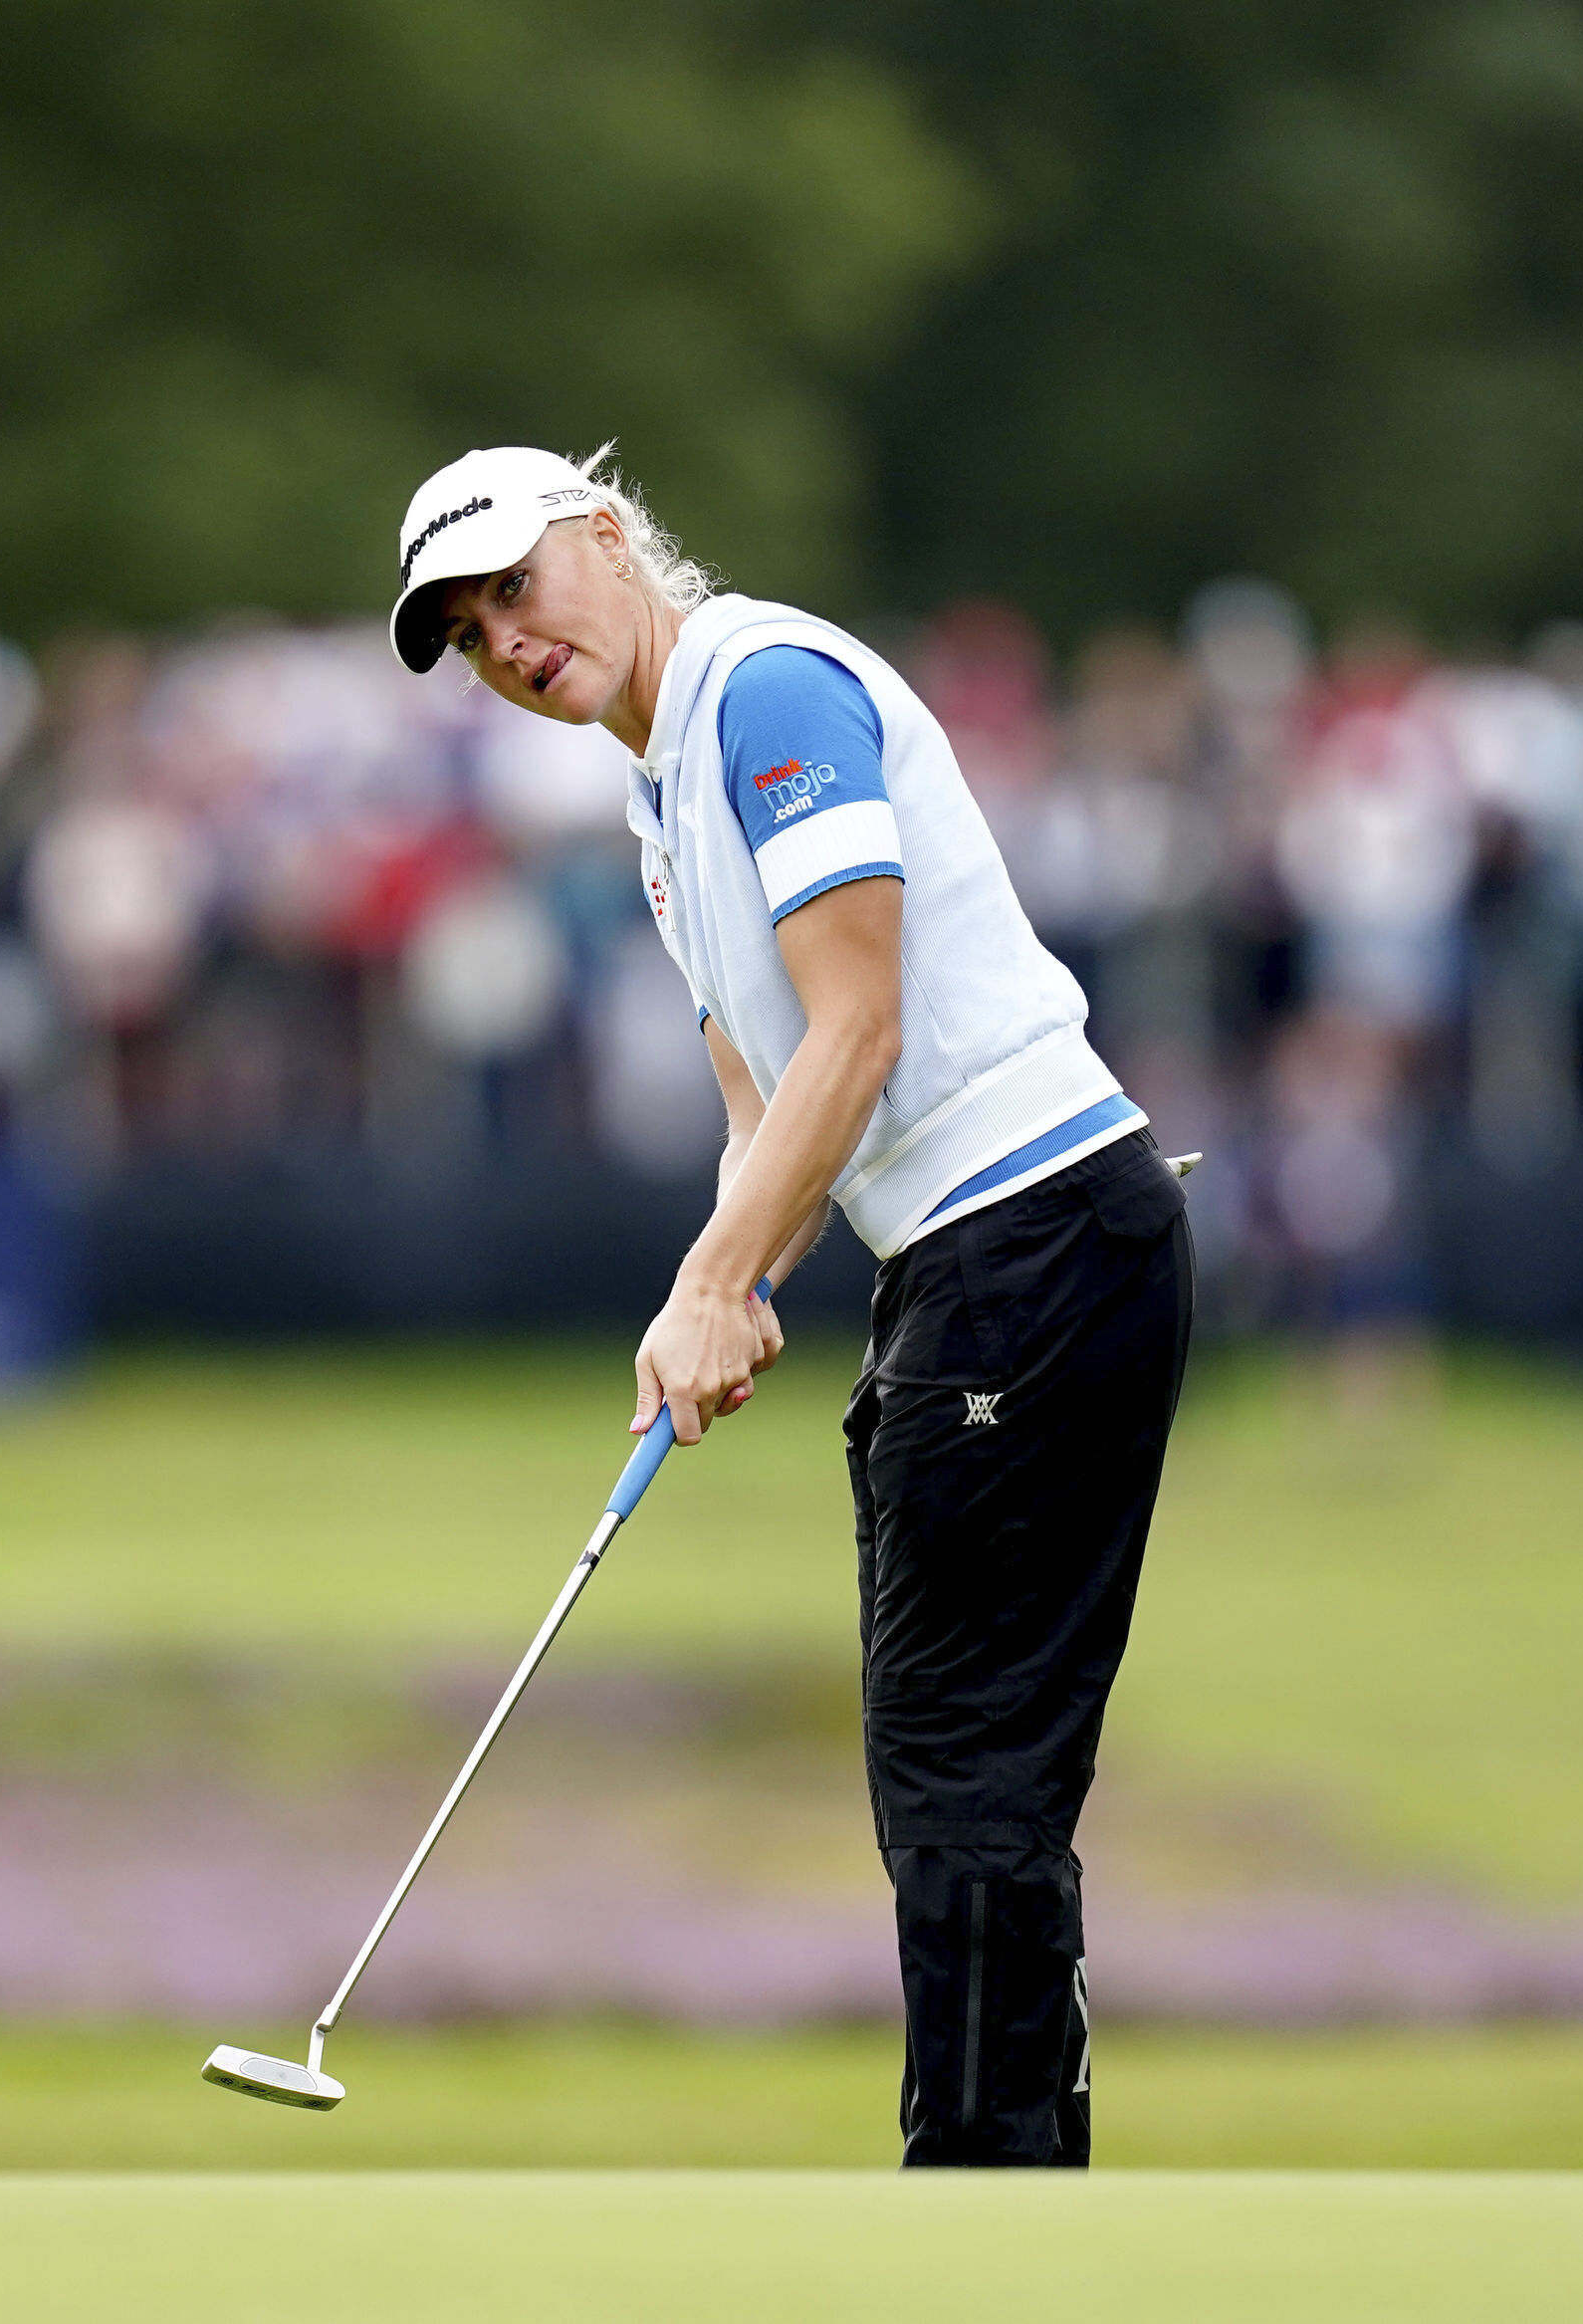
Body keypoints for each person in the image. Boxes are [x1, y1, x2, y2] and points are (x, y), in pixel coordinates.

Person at [390, 444, 1195, 2167]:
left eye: (516, 586)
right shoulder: (658, 807)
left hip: (1035, 1232)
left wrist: (711, 1282)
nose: (506, 642)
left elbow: (861, 1028)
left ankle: (985, 2198)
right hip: (973, 1261)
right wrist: (731, 1274)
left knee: (965, 1760)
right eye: (467, 634)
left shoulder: (765, 690)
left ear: (608, 535)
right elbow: (772, 1125)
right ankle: (1009, 2183)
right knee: (949, 1767)